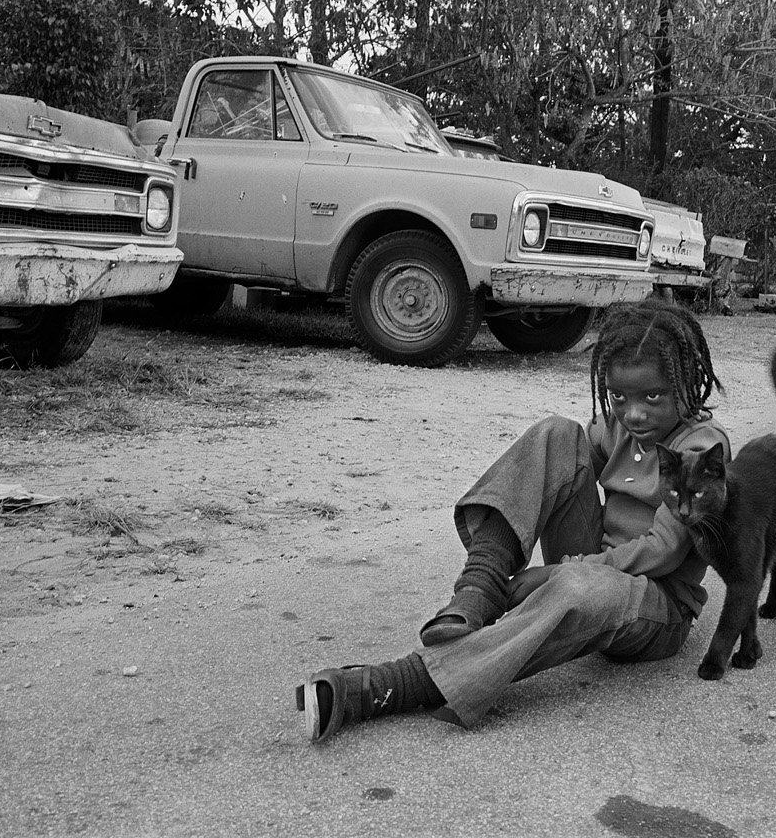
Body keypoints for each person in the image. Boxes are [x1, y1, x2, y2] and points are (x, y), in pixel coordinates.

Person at [296, 299, 731, 742]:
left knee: (577, 586)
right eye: (619, 397)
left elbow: (663, 550)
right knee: (557, 433)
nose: (633, 413)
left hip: (657, 607)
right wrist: (568, 546)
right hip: (596, 566)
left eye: (652, 397)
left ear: (685, 383)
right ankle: (479, 588)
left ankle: (395, 685)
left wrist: (558, 572)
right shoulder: (619, 426)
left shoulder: (700, 445)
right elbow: (572, 465)